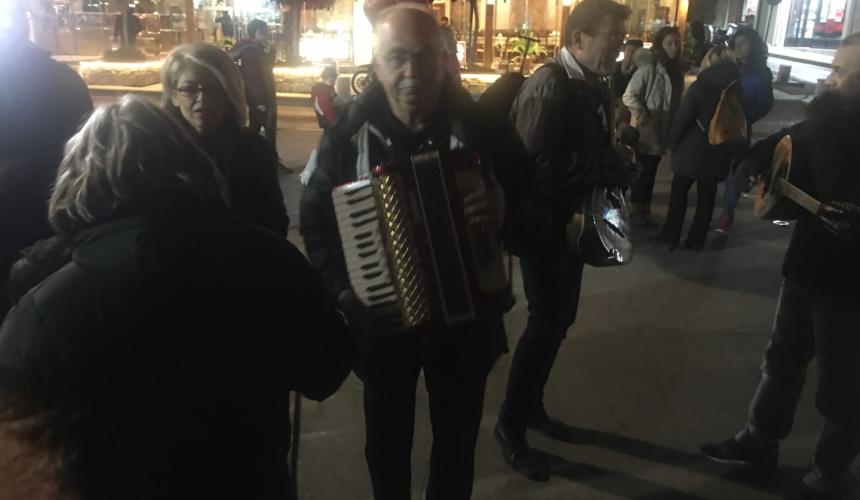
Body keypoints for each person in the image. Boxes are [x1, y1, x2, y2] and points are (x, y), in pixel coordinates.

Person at [0, 95, 355, 500]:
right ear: (192, 165)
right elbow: (325, 371)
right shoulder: (271, 260)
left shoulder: (43, 312)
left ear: (78, 181)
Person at [300, 5, 527, 499]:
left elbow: (534, 201)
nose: (411, 71)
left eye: (424, 56)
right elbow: (315, 222)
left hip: (466, 324)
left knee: (457, 444)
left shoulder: (484, 128)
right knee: (386, 443)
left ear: (443, 60)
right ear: (376, 65)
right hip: (382, 326)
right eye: (397, 57)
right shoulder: (345, 137)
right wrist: (342, 293)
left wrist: (505, 208)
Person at [700, 33, 860, 500]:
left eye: (841, 72)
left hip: (850, 287)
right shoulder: (827, 117)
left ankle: (827, 473)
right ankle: (758, 442)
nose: (829, 79)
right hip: (806, 268)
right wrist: (754, 160)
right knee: (781, 363)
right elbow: (781, 144)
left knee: (844, 389)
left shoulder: (839, 121)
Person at [496, 0, 634, 482]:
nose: (618, 50)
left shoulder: (590, 82)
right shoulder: (549, 85)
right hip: (542, 228)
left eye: (621, 42)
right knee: (545, 323)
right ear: (578, 39)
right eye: (611, 40)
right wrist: (607, 162)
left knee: (559, 320)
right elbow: (535, 168)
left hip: (570, 227)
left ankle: (530, 407)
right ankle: (510, 426)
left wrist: (614, 161)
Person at [0, 1, 92, 320]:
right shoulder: (62, 81)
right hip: (46, 214)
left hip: (40, 218)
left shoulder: (59, 82)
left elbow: (81, 154)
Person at [162, 43, 289, 236]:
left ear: (230, 92)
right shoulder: (154, 152)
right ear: (173, 95)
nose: (203, 99)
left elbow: (274, 224)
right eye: (190, 89)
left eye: (214, 88)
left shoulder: (255, 151)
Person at [650, 47, 740, 251]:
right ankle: (696, 240)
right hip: (720, 149)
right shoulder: (737, 88)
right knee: (707, 196)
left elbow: (683, 118)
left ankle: (670, 236)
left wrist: (672, 143)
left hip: (693, 149)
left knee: (679, 193)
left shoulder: (702, 86)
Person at [623, 26, 683, 226]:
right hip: (647, 127)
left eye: (676, 43)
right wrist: (642, 115)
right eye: (669, 43)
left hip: (663, 126)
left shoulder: (675, 70)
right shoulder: (650, 68)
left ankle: (644, 209)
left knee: (651, 171)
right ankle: (637, 209)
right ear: (660, 44)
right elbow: (629, 95)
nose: (673, 47)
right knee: (642, 170)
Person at [717, 26, 774, 233]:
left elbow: (765, 103)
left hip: (740, 131)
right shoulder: (726, 67)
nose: (738, 48)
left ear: (754, 45)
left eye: (743, 43)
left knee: (735, 174)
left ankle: (727, 214)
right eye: (736, 44)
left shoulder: (761, 73)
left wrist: (744, 119)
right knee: (712, 170)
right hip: (717, 126)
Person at [230, 19, 278, 146]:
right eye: (266, 31)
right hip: (259, 97)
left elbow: (268, 69)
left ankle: (262, 155)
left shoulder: (262, 48)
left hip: (266, 95)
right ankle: (257, 155)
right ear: (258, 32)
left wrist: (271, 52)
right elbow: (255, 77)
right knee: (260, 131)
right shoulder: (248, 48)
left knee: (265, 131)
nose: (268, 33)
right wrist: (260, 101)